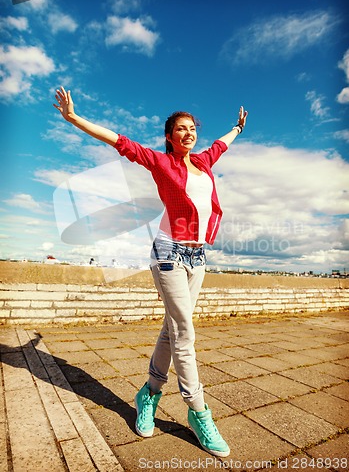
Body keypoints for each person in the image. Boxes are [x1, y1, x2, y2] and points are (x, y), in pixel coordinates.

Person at [54, 87, 248, 457]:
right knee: (185, 332)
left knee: (172, 328)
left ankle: (149, 394)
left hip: (197, 256)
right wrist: (73, 118)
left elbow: (222, 144)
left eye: (192, 128)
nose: (188, 133)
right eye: (181, 129)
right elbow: (119, 141)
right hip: (168, 252)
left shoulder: (205, 162)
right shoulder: (161, 163)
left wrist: (237, 129)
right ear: (169, 136)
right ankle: (198, 412)